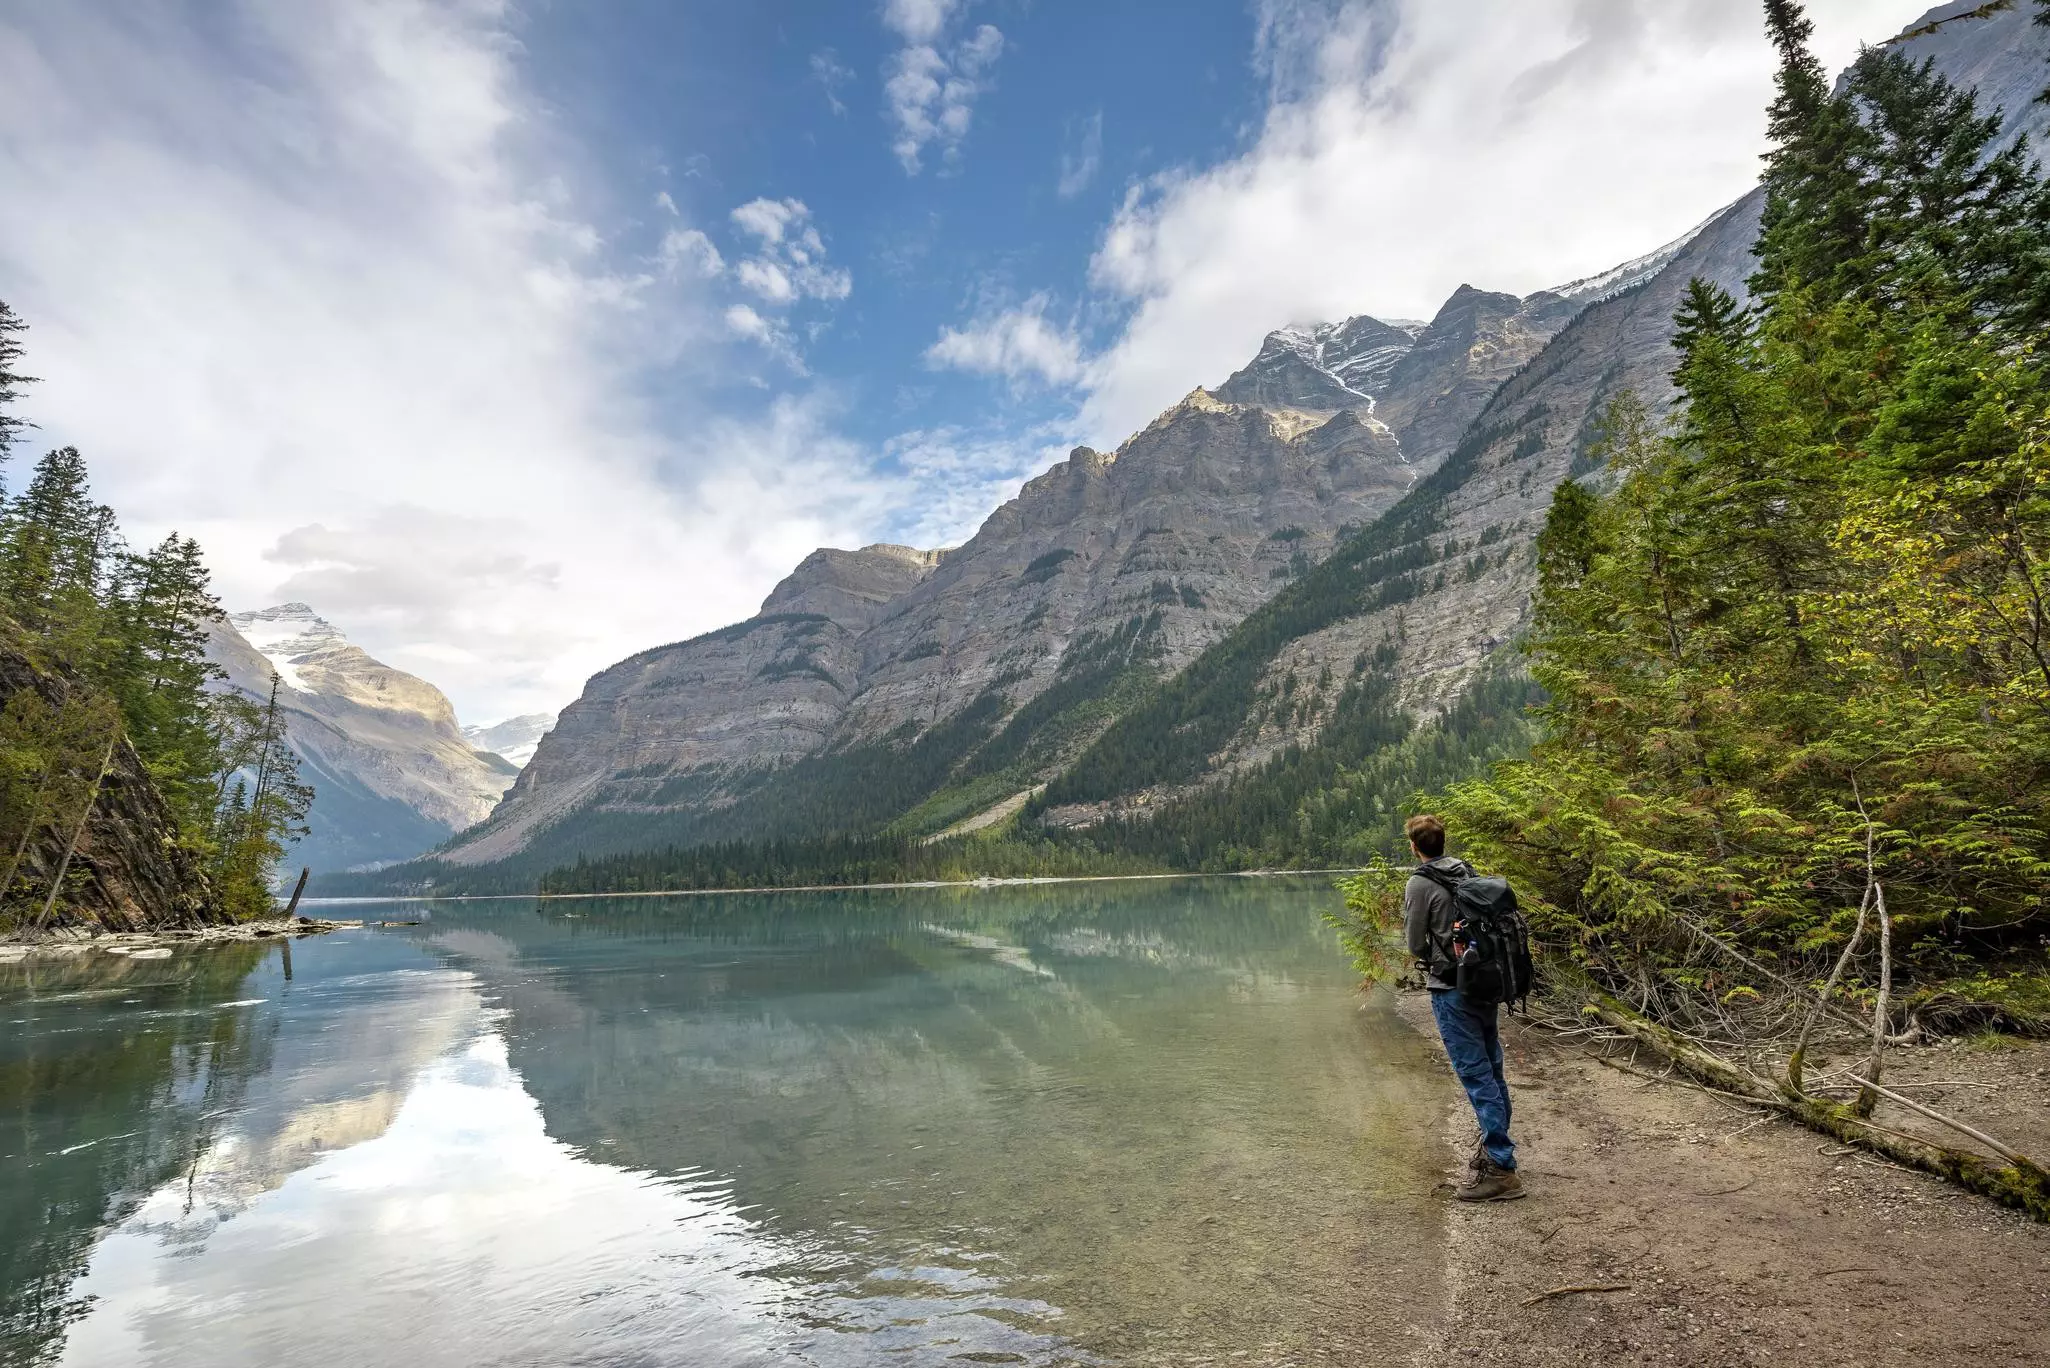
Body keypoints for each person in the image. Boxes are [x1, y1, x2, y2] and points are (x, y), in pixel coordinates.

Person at [1402, 812, 1524, 1202]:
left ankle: (1502, 1169)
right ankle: (1497, 1153)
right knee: (1491, 1065)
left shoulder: (1420, 883)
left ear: (1415, 846)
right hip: (1484, 983)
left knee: (1475, 1074)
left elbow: (1415, 944)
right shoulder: (1464, 871)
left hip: (1451, 988)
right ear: (1442, 841)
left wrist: (1434, 954)